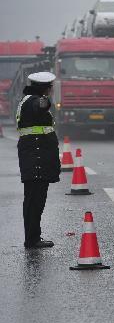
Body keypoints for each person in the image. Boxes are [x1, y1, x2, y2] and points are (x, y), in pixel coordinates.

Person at [16, 72, 61, 249]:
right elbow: (40, 106)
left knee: (34, 200)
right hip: (36, 159)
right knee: (35, 200)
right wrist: (45, 100)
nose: (51, 91)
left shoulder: (27, 100)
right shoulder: (34, 101)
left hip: (35, 157)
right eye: (50, 88)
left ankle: (33, 237)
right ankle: (32, 239)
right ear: (44, 88)